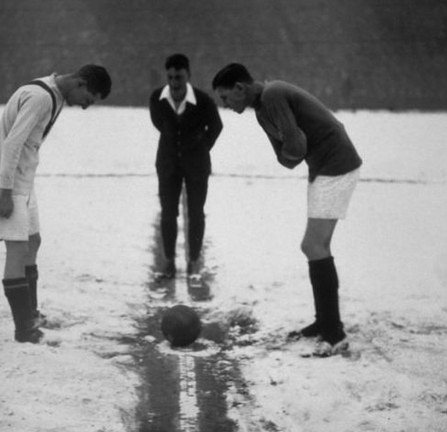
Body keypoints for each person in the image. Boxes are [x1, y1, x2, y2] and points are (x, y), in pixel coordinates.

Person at [212, 63, 362, 356]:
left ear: (241, 88)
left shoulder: (273, 95)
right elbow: (289, 157)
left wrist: (293, 148)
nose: (226, 105)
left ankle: (334, 334)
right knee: (316, 246)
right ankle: (324, 322)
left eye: (226, 97)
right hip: (324, 167)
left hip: (337, 165)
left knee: (313, 245)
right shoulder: (263, 109)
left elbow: (293, 147)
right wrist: (293, 148)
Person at [0, 65, 112, 343]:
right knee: (17, 249)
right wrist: (4, 191)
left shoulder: (55, 91)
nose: (85, 108)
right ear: (81, 83)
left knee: (33, 241)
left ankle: (31, 313)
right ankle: (24, 330)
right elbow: (13, 143)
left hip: (22, 179)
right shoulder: (40, 97)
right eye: (88, 100)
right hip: (7, 179)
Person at [149, 54, 223, 278]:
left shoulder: (202, 100)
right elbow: (159, 123)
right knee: (168, 214)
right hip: (168, 164)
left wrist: (200, 148)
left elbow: (216, 126)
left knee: (196, 214)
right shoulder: (157, 98)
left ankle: (193, 262)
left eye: (179, 77)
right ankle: (169, 262)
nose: (174, 82)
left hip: (197, 166)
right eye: (170, 77)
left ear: (188, 75)